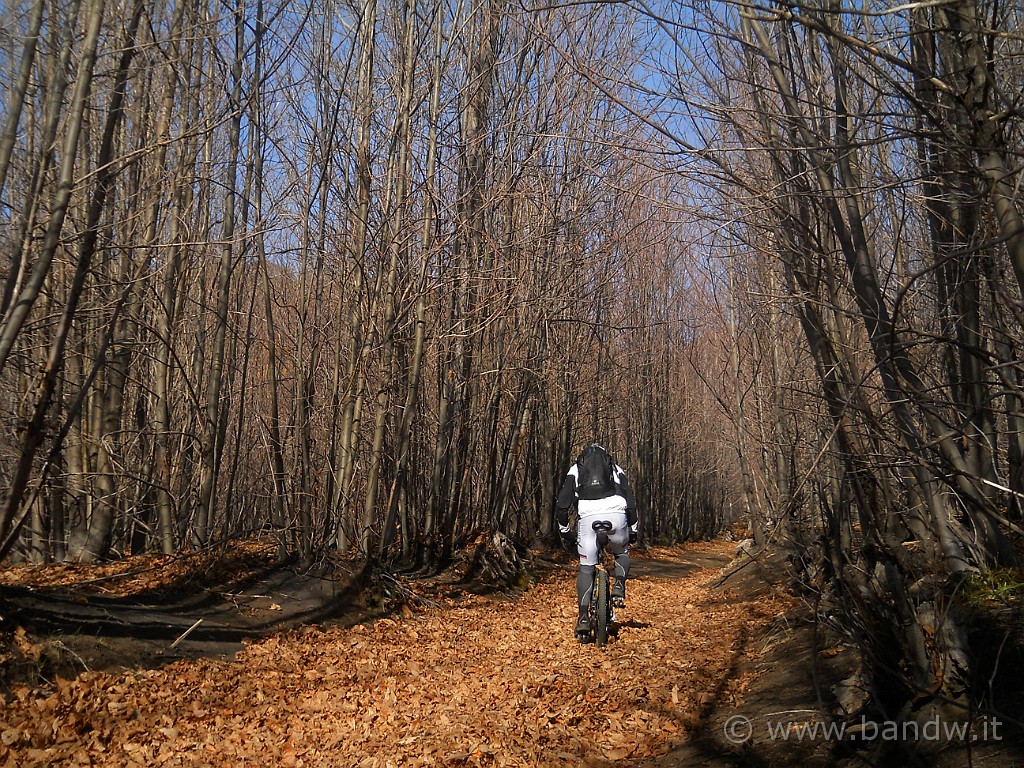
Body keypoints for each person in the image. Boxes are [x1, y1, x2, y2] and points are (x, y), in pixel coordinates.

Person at [556, 442, 638, 640]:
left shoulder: (575, 470)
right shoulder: (615, 469)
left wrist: (565, 529)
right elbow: (630, 501)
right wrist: (633, 529)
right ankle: (619, 585)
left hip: (588, 517)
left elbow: (562, 503)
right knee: (621, 552)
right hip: (617, 514)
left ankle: (583, 618)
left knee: (586, 568)